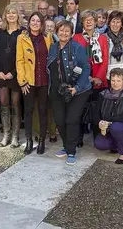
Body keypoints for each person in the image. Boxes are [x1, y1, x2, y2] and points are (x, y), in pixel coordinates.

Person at [49, 20, 92, 165]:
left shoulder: (77, 48)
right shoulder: (53, 48)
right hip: (58, 90)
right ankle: (66, 147)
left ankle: (71, 151)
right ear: (57, 32)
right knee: (60, 120)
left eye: (67, 31)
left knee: (71, 120)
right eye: (61, 30)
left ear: (72, 33)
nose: (64, 33)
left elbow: (85, 68)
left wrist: (77, 88)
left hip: (78, 90)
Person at [16, 12, 53, 155]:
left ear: (42, 23)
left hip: (44, 80)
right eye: (33, 20)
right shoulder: (22, 38)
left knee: (43, 111)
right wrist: (22, 81)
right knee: (28, 111)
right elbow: (19, 61)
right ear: (29, 22)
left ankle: (42, 141)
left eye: (38, 21)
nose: (35, 23)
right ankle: (29, 141)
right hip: (28, 82)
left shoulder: (48, 37)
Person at [0, 4, 23, 147]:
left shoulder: (22, 33)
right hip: (1, 74)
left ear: (18, 15)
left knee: (15, 103)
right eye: (8, 13)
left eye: (14, 13)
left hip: (16, 74)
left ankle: (15, 136)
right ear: (5, 15)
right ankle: (6, 134)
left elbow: (23, 56)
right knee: (3, 102)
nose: (11, 15)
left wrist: (13, 73)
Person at [93, 68, 123, 164]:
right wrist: (99, 122)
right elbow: (95, 113)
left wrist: (109, 122)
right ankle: (118, 144)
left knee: (116, 127)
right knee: (99, 144)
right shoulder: (103, 94)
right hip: (108, 127)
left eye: (118, 81)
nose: (115, 83)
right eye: (113, 80)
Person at [73, 10, 109, 90]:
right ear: (82, 23)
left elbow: (105, 59)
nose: (88, 22)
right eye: (85, 20)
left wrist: (99, 77)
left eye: (91, 20)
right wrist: (85, 76)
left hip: (99, 79)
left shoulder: (103, 38)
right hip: (81, 78)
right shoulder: (76, 38)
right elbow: (75, 60)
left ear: (95, 22)